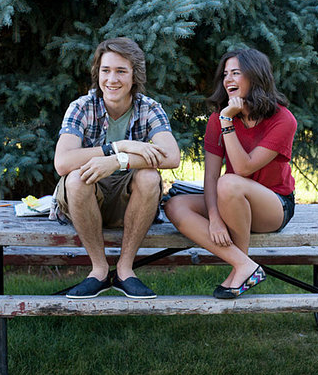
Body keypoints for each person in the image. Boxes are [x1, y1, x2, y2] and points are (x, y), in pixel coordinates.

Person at [51, 37, 180, 299]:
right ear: (97, 72)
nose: (112, 79)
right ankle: (99, 271)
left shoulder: (149, 108)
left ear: (135, 76)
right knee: (76, 178)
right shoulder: (81, 107)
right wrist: (117, 147)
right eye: (106, 70)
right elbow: (62, 162)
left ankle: (124, 270)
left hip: (128, 202)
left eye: (121, 71)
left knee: (148, 177)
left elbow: (172, 156)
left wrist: (118, 161)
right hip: (85, 199)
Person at [165, 48, 297, 299]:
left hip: (273, 205)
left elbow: (245, 167)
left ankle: (242, 268)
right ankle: (243, 265)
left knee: (230, 183)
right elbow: (211, 177)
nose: (228, 80)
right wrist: (214, 217)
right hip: (229, 198)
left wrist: (227, 122)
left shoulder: (283, 119)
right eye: (225, 74)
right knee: (175, 205)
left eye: (236, 73)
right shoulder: (218, 118)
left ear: (255, 76)